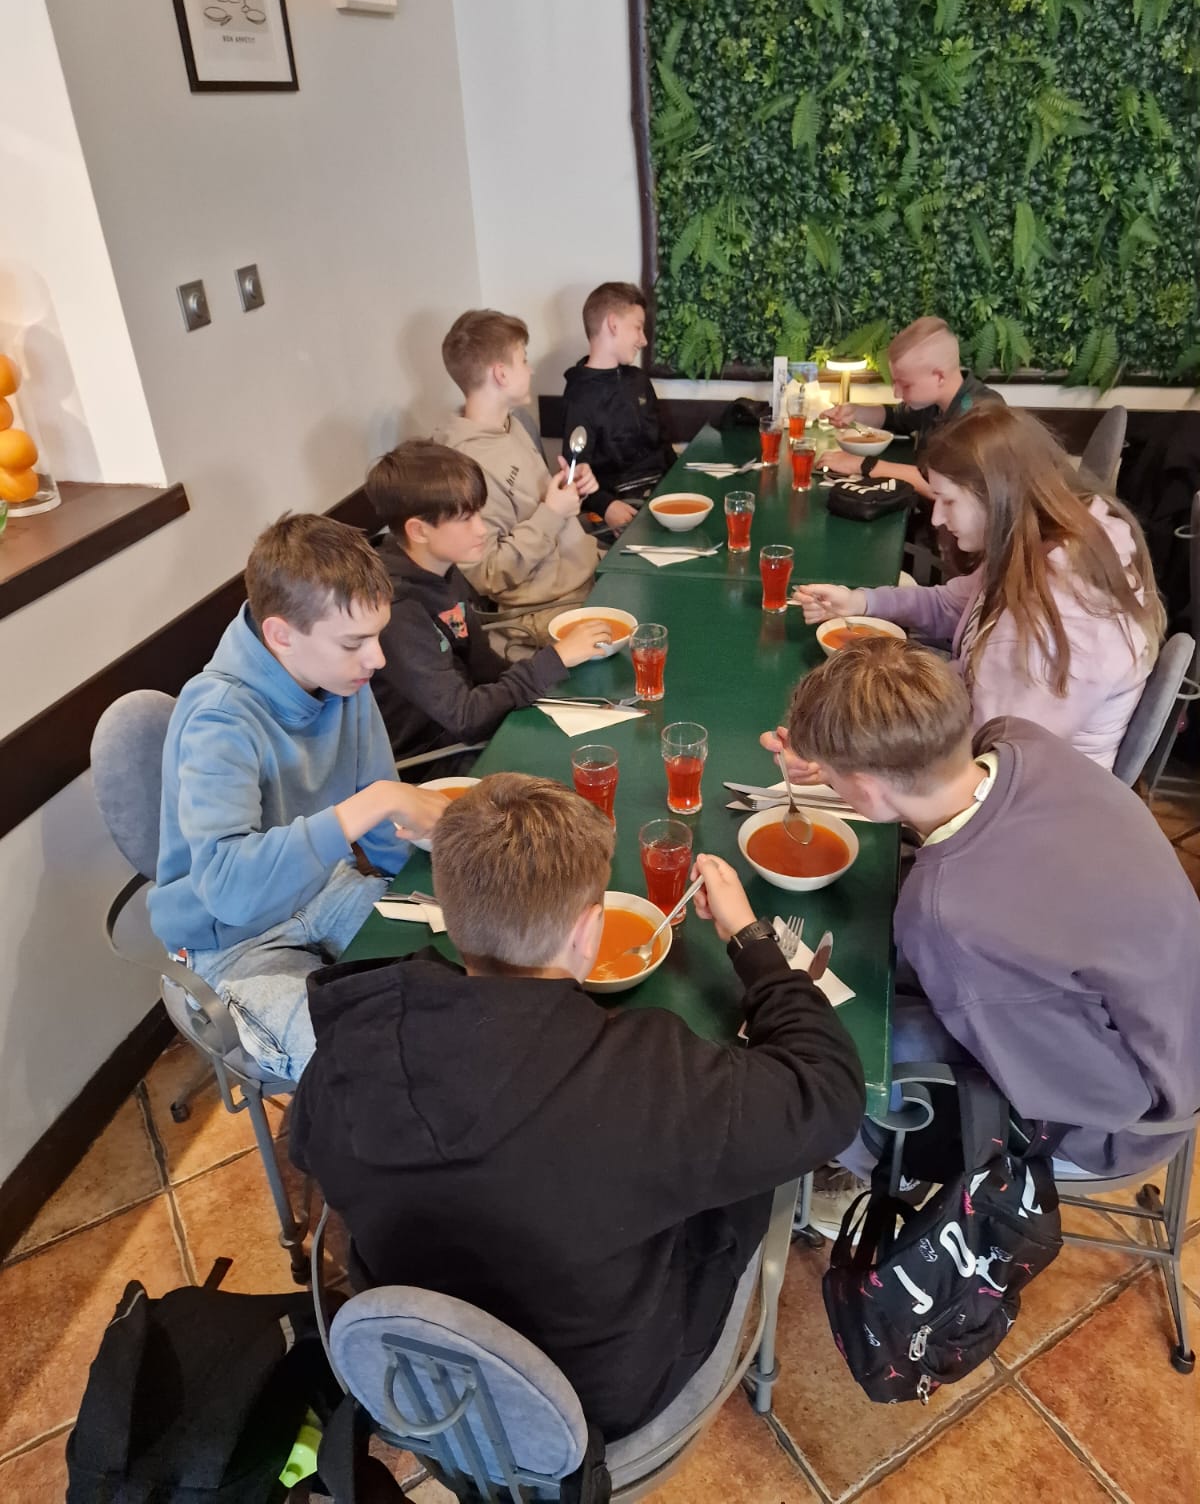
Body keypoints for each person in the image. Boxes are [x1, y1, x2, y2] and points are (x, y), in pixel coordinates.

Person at [289, 773, 864, 1440]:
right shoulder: (651, 1078)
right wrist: (753, 944)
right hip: (595, 1401)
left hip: (425, 1380)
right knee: (748, 1172)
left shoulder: (352, 1040)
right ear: (590, 930)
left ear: (450, 910)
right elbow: (828, 1092)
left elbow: (306, 1144)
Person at [777, 638, 1200, 1233]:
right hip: (1172, 1024)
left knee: (841, 1048)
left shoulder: (943, 915)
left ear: (867, 790)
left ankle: (866, 1175)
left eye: (837, 778)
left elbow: (1068, 1084)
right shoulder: (1020, 741)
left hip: (1126, 1118)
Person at [149, 514, 446, 1081]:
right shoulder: (219, 718)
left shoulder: (340, 676)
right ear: (281, 635)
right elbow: (229, 890)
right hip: (234, 945)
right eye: (354, 642)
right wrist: (373, 805)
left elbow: (384, 824)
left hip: (323, 891)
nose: (377, 658)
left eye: (376, 635)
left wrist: (424, 882)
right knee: (367, 1073)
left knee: (465, 965)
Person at [790, 404, 1162, 768]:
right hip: (974, 749)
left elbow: (994, 759)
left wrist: (848, 758)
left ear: (996, 495)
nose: (937, 517)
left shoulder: (1064, 610)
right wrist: (860, 603)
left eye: (949, 501)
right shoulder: (1029, 547)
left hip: (1018, 793)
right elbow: (952, 606)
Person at [366, 439, 620, 763]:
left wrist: (550, 680)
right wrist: (554, 659)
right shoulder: (396, 611)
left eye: (479, 514)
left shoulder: (443, 568)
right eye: (465, 518)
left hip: (476, 732)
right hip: (439, 759)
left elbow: (485, 668)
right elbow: (465, 718)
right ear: (419, 530)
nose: (482, 530)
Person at [434, 309, 600, 657]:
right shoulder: (461, 464)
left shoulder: (514, 423)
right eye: (524, 359)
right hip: (545, 613)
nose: (531, 369)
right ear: (501, 373)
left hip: (585, 576)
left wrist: (569, 487)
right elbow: (490, 572)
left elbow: (534, 506)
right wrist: (554, 512)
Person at [822, 316, 1004, 500]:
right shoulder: (933, 402)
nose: (896, 394)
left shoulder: (981, 415)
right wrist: (856, 412)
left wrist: (863, 465)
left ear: (939, 377)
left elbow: (944, 488)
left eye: (905, 385)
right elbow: (893, 416)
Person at [561, 281, 675, 532]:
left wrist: (681, 481)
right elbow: (574, 472)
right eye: (638, 328)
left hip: (663, 494)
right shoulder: (580, 395)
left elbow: (664, 446)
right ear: (613, 324)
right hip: (622, 507)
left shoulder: (639, 381)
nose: (643, 340)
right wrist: (607, 507)